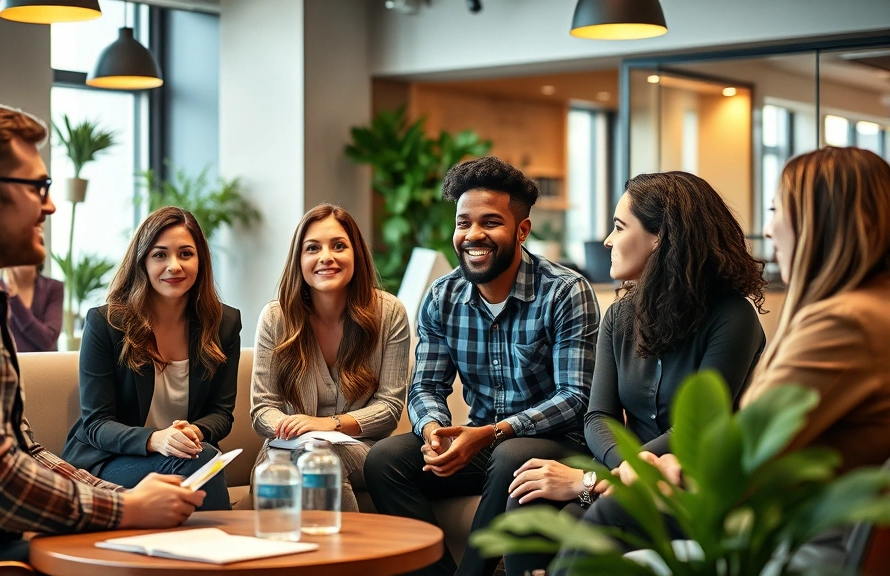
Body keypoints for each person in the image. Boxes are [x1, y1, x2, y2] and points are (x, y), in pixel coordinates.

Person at [0, 97, 203, 574]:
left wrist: (125, 497)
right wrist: (126, 510)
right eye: (37, 186)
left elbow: (24, 453)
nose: (49, 204)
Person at [565, 147, 890, 573]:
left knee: (606, 513)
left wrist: (597, 481)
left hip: (788, 523)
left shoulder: (843, 323)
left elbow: (739, 449)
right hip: (805, 510)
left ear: (820, 223)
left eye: (777, 210)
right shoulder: (870, 308)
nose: (769, 230)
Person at [503, 171, 768, 576]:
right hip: (625, 474)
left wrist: (602, 480)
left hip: (688, 482)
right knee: (528, 500)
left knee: (585, 519)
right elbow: (598, 416)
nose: (607, 240)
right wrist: (619, 471)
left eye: (618, 227)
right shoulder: (621, 316)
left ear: (660, 238)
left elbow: (697, 430)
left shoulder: (732, 316)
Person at [364, 156, 601, 576]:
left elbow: (576, 397)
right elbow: (425, 387)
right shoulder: (443, 296)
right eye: (463, 223)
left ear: (521, 230)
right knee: (384, 461)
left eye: (490, 222)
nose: (473, 235)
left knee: (511, 453)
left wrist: (492, 432)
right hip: (483, 442)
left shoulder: (565, 292)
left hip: (558, 443)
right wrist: (434, 431)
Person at [61, 206, 240, 511]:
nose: (174, 266)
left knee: (201, 458)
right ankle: (223, 551)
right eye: (160, 255)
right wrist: (157, 440)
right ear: (142, 260)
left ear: (201, 261)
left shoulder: (223, 323)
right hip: (113, 459)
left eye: (186, 254)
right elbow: (97, 424)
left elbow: (221, 413)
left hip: (189, 453)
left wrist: (191, 433)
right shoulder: (107, 323)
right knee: (202, 461)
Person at [250, 203, 410, 511]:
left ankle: (341, 557)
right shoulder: (276, 317)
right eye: (313, 248)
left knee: (322, 458)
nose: (326, 257)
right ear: (299, 259)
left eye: (339, 246)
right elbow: (262, 410)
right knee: (310, 454)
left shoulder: (390, 313)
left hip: (361, 451)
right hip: (287, 451)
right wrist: (297, 429)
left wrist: (325, 425)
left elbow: (388, 409)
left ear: (356, 255)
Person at [0, 261, 64, 352]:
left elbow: (47, 340)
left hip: (44, 363)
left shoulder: (53, 288)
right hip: (7, 364)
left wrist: (14, 298)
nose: (26, 254)